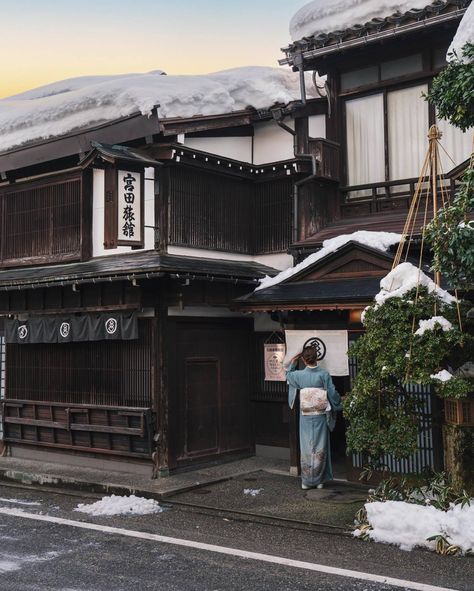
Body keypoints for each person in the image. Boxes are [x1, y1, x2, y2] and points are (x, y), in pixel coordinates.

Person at [286, 346, 342, 490]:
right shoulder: (324, 374)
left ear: (304, 360)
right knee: (320, 446)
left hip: (305, 417)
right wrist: (338, 403)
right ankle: (319, 480)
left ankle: (306, 481)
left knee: (306, 447)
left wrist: (293, 362)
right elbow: (332, 392)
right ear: (317, 358)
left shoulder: (299, 375)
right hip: (320, 416)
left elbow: (288, 375)